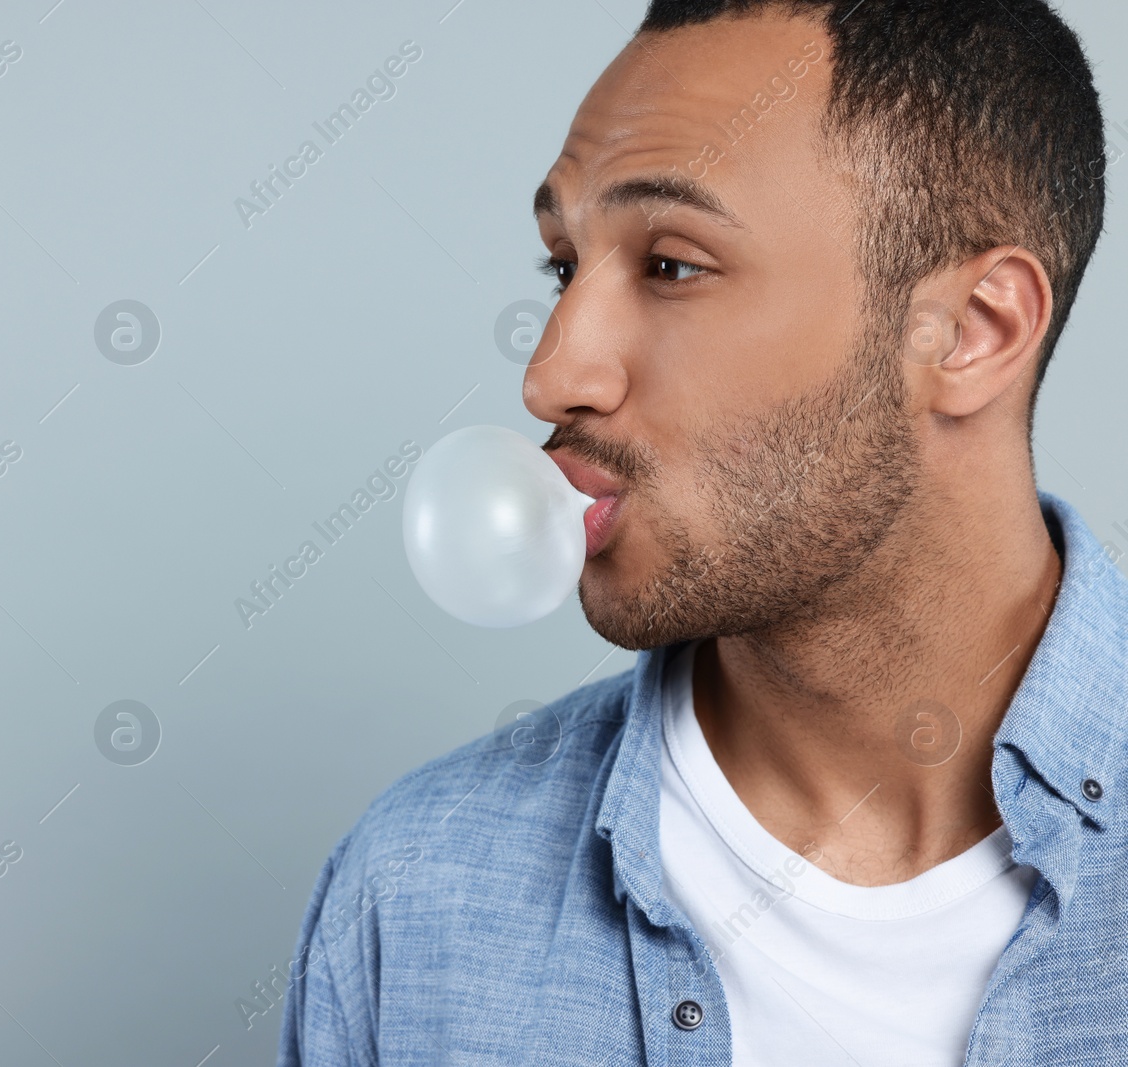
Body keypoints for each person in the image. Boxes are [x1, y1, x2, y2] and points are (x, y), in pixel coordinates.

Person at [279, 1, 1127, 1063]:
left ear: (970, 331)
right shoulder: (409, 898)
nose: (552, 373)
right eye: (562, 265)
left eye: (671, 264)